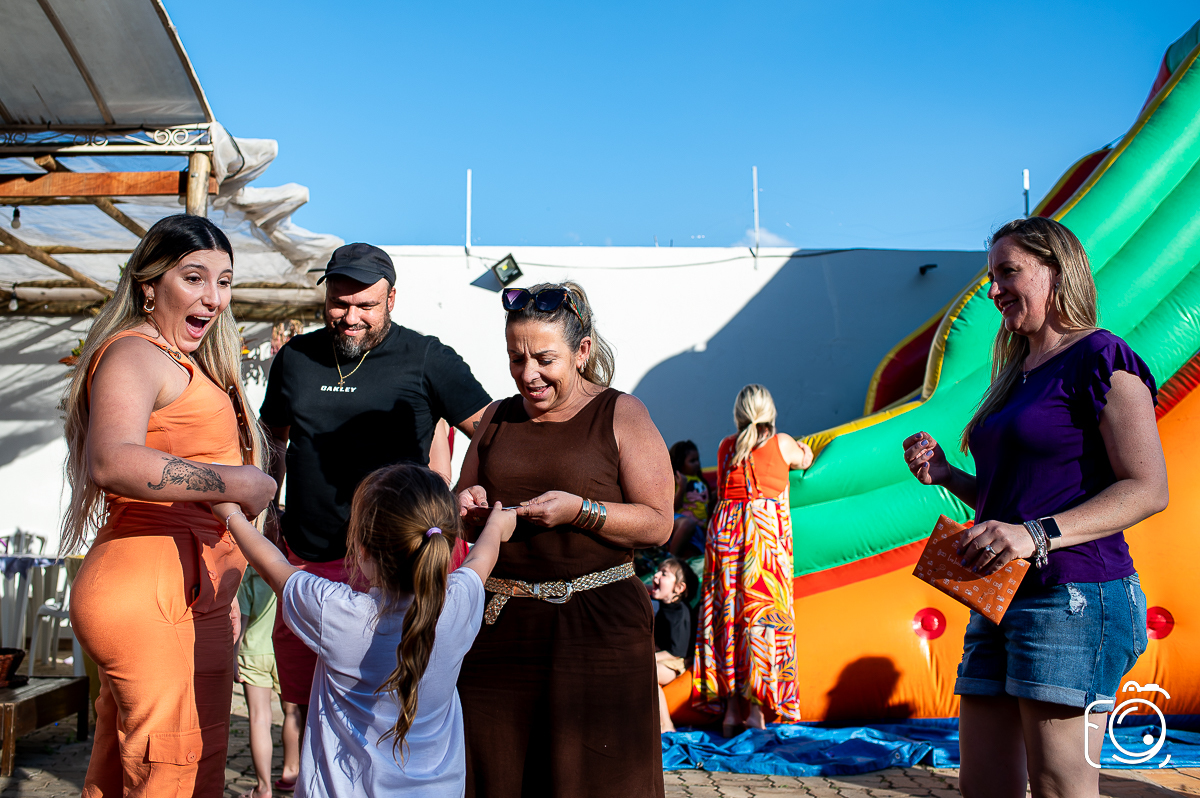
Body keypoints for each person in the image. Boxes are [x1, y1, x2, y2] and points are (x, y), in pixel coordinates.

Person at [902, 217, 1167, 798]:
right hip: (998, 596)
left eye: (1008, 273)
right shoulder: (1016, 374)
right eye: (991, 277)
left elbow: (1148, 488)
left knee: (1059, 787)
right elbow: (1015, 502)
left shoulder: (1102, 356)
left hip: (1074, 597)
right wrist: (948, 476)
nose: (994, 290)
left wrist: (1036, 534)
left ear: (1055, 271)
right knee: (984, 787)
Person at [62, 214, 277, 797]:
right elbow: (111, 459)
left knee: (130, 771)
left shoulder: (180, 359)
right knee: (173, 772)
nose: (214, 297)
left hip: (187, 590)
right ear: (149, 285)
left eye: (224, 282)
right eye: (194, 277)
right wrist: (235, 480)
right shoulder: (135, 353)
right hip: (155, 587)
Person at [455, 281, 674, 797]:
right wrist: (465, 504)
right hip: (501, 633)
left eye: (544, 359)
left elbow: (658, 522)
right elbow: (458, 512)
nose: (528, 374)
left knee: (599, 780)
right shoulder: (495, 418)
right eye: (516, 359)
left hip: (600, 633)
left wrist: (581, 511)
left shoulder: (622, 412)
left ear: (582, 351)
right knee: (498, 775)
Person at [259, 242, 490, 719]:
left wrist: (453, 500)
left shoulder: (427, 357)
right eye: (339, 303)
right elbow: (273, 439)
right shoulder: (295, 357)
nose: (350, 317)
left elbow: (490, 434)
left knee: (395, 703)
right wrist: (267, 508)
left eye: (366, 305)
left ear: (391, 299)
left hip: (398, 571)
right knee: (304, 705)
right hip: (309, 560)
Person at [214, 464, 515, 797]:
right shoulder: (460, 602)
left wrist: (230, 513)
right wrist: (496, 524)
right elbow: (482, 557)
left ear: (362, 548)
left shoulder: (336, 611)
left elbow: (273, 566)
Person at [692, 384, 814, 735]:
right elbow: (805, 459)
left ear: (739, 414)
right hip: (762, 533)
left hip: (725, 531)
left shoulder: (726, 446)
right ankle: (758, 711)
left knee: (727, 618)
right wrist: (805, 449)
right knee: (762, 619)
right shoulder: (783, 443)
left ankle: (732, 711)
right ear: (770, 412)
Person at [235, 566, 299, 798]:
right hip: (286, 649)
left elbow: (241, 619)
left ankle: (263, 788)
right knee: (292, 713)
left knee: (259, 718)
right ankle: (291, 774)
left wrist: (233, 656)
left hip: (254, 651)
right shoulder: (291, 569)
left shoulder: (248, 574)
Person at [650, 558, 692, 734]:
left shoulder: (680, 612)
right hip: (665, 658)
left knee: (648, 672)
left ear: (679, 588)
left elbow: (677, 651)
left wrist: (649, 657)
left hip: (676, 663)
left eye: (664, 574)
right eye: (658, 571)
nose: (656, 576)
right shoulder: (663, 605)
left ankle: (667, 725)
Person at [667, 440, 713, 557]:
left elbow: (705, 502)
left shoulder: (699, 480)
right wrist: (682, 487)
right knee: (688, 524)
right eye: (692, 461)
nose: (697, 463)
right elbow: (673, 507)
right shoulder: (678, 480)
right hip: (681, 523)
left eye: (697, 459)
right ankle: (671, 559)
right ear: (680, 464)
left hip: (698, 527)